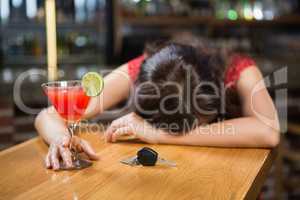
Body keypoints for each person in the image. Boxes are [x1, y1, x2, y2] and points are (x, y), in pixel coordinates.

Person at [35, 35, 280, 170]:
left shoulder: (238, 70)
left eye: (192, 124)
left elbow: (268, 131)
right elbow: (50, 114)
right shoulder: (142, 68)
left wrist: (161, 135)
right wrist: (59, 137)